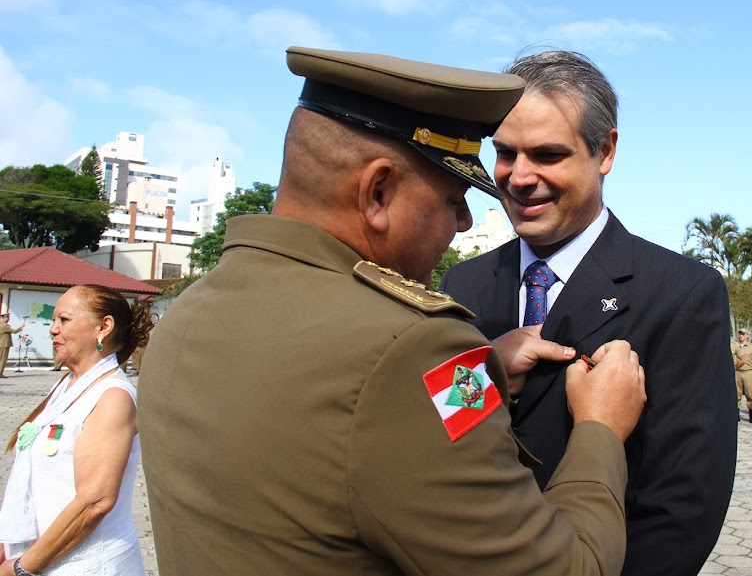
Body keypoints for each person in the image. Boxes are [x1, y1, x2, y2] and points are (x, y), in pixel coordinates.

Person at [138, 48, 648, 576]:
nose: (465, 224)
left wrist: (482, 375)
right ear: (377, 192)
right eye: (453, 198)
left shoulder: (188, 314)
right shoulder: (414, 350)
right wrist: (600, 430)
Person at [440, 50, 736, 576]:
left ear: (605, 151)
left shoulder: (681, 293)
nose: (519, 177)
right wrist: (485, 370)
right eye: (506, 154)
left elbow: (684, 507)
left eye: (548, 154)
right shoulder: (463, 282)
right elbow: (438, 437)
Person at [0, 284, 150, 575]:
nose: (53, 329)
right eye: (54, 320)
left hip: (86, 565)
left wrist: (21, 568)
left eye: (64, 320)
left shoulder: (112, 396)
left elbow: (94, 501)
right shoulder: (67, 384)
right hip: (48, 559)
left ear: (103, 327)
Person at [734, 329, 752, 424]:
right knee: (736, 394)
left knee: (750, 394)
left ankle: (751, 414)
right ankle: (737, 414)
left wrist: (751, 366)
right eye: (740, 334)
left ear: (747, 336)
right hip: (738, 372)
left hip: (748, 372)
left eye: (743, 334)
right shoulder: (736, 346)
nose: (741, 336)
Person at [0, 312, 25, 377]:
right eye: (7, 317)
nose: (8, 319)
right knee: (3, 359)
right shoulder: (5, 325)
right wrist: (21, 327)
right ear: (4, 318)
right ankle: (0, 372)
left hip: (1, 344)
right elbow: (14, 331)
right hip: (4, 344)